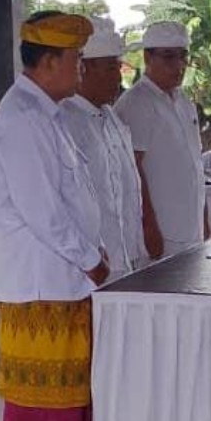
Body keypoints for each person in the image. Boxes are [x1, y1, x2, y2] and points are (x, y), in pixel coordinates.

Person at [0, 11, 105, 421]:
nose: (81, 69)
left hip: (61, 278)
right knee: (32, 390)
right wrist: (89, 259)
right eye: (76, 59)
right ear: (50, 61)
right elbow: (44, 212)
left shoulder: (47, 115)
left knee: (56, 389)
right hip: (41, 278)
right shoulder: (23, 120)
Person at [61, 17, 146, 282]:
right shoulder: (65, 121)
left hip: (125, 259)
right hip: (90, 267)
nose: (118, 78)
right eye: (111, 68)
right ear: (83, 68)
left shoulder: (112, 118)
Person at [115, 21, 209, 258]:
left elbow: (194, 165)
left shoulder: (184, 102)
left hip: (191, 226)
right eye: (168, 57)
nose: (178, 65)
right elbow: (132, 170)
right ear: (148, 58)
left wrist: (205, 220)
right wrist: (148, 227)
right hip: (161, 231)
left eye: (183, 57)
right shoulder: (137, 103)